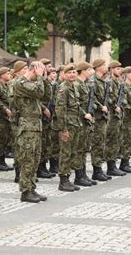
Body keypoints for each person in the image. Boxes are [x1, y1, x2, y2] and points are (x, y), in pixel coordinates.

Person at [13, 61, 48, 203]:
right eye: (40, 70)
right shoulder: (20, 83)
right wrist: (39, 77)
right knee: (28, 159)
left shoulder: (33, 83)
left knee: (35, 159)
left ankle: (32, 188)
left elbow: (46, 95)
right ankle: (25, 191)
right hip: (27, 126)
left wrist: (43, 78)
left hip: (35, 125)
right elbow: (39, 92)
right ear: (33, 69)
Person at [54, 63, 82, 192]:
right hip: (67, 125)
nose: (72, 74)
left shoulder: (74, 87)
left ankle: (68, 178)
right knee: (65, 153)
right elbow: (60, 110)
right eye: (69, 72)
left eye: (74, 72)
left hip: (75, 123)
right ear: (64, 75)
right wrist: (63, 129)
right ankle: (63, 181)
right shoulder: (63, 88)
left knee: (72, 152)